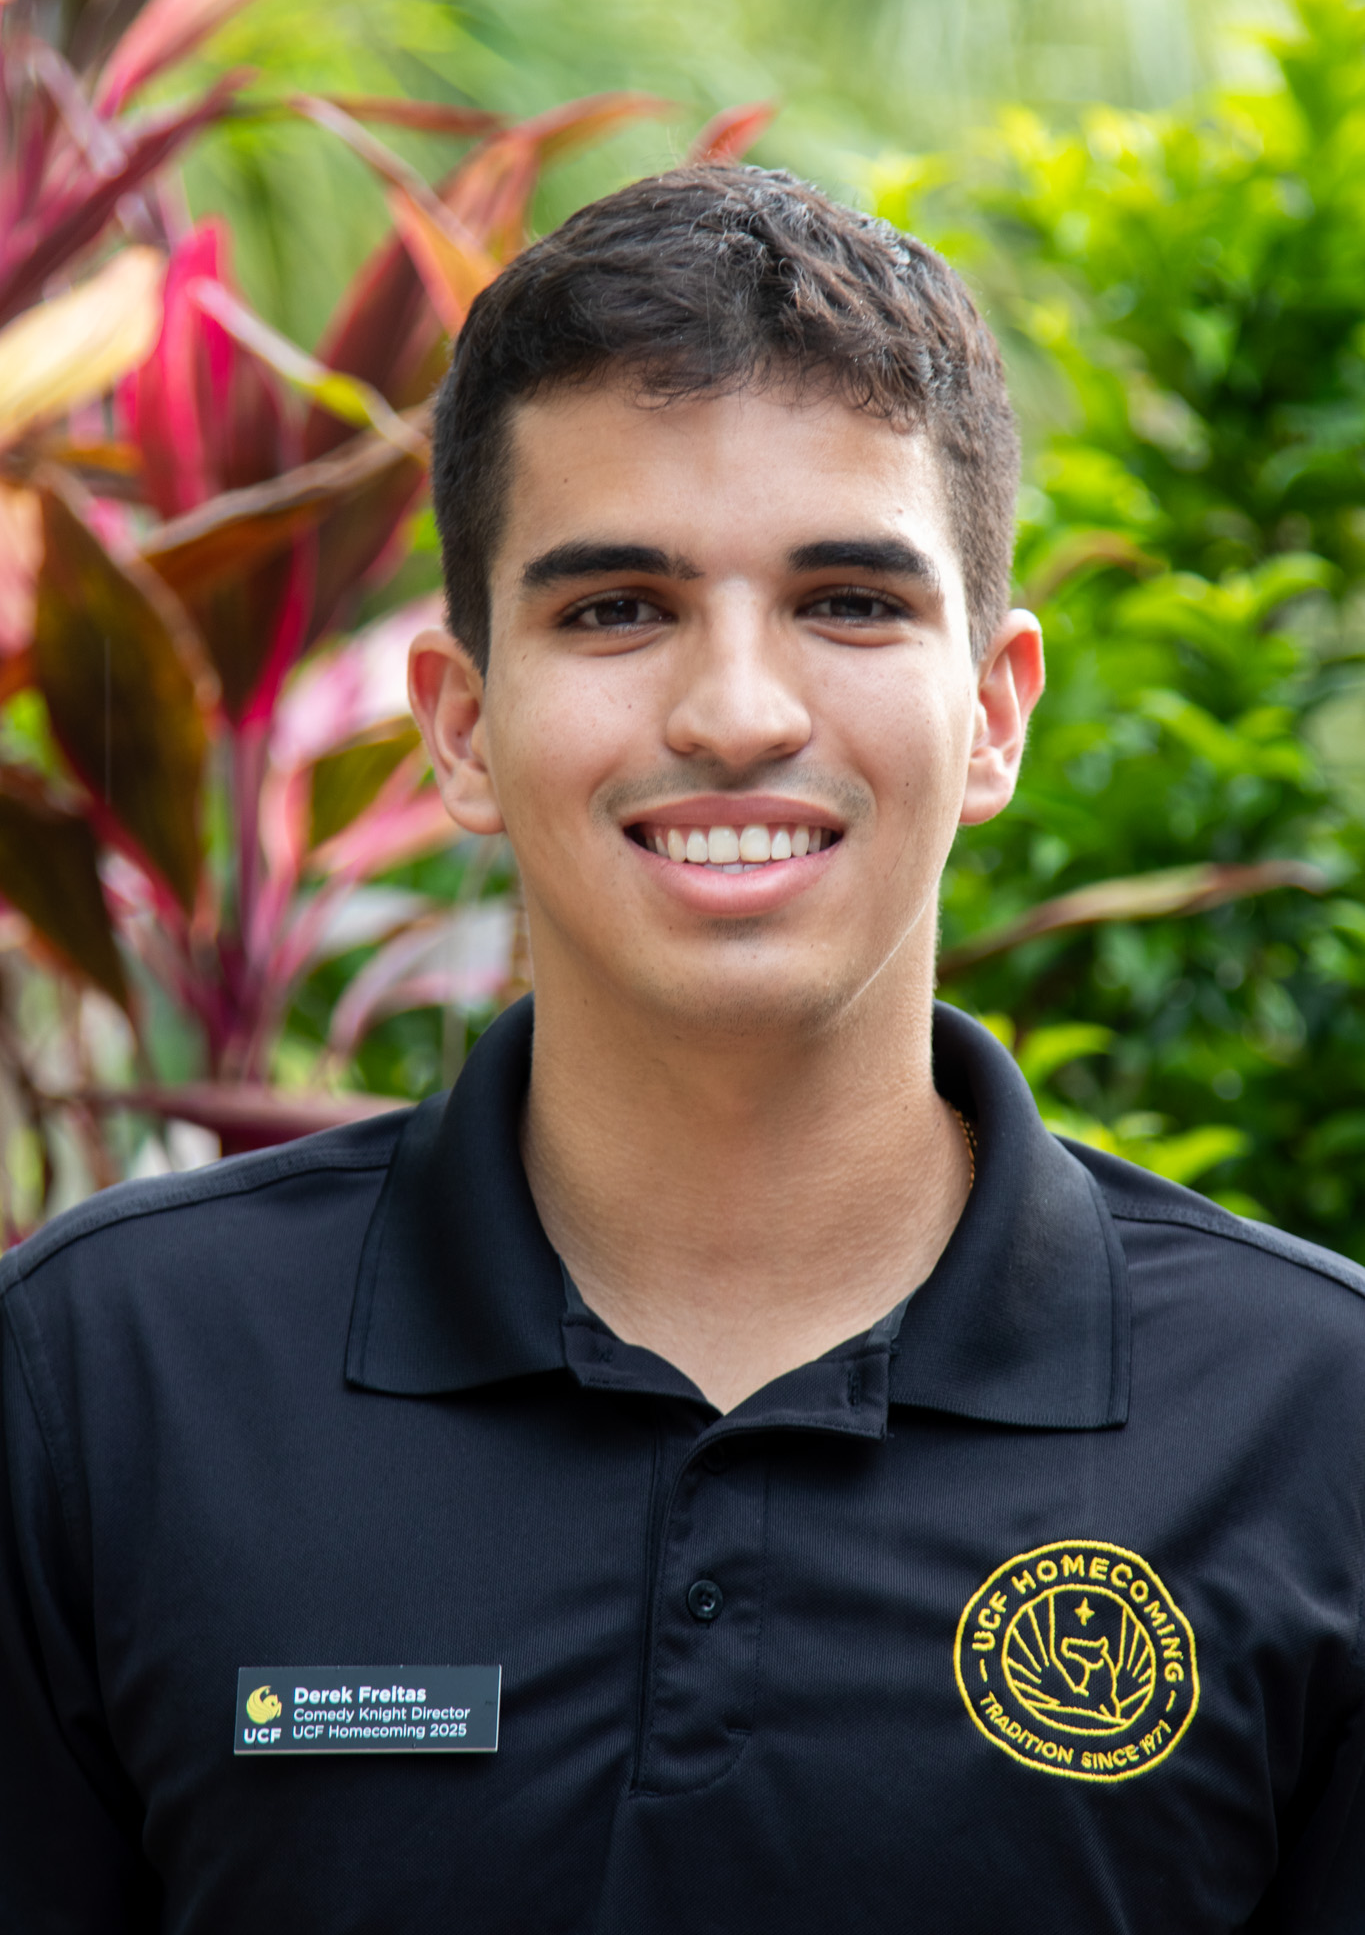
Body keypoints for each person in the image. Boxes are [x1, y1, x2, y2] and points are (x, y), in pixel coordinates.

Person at [2, 166, 1363, 1935]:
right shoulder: (105, 1379)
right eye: (616, 608)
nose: (735, 712)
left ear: (992, 712)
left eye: (848, 601)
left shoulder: (1311, 1422)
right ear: (461, 727)